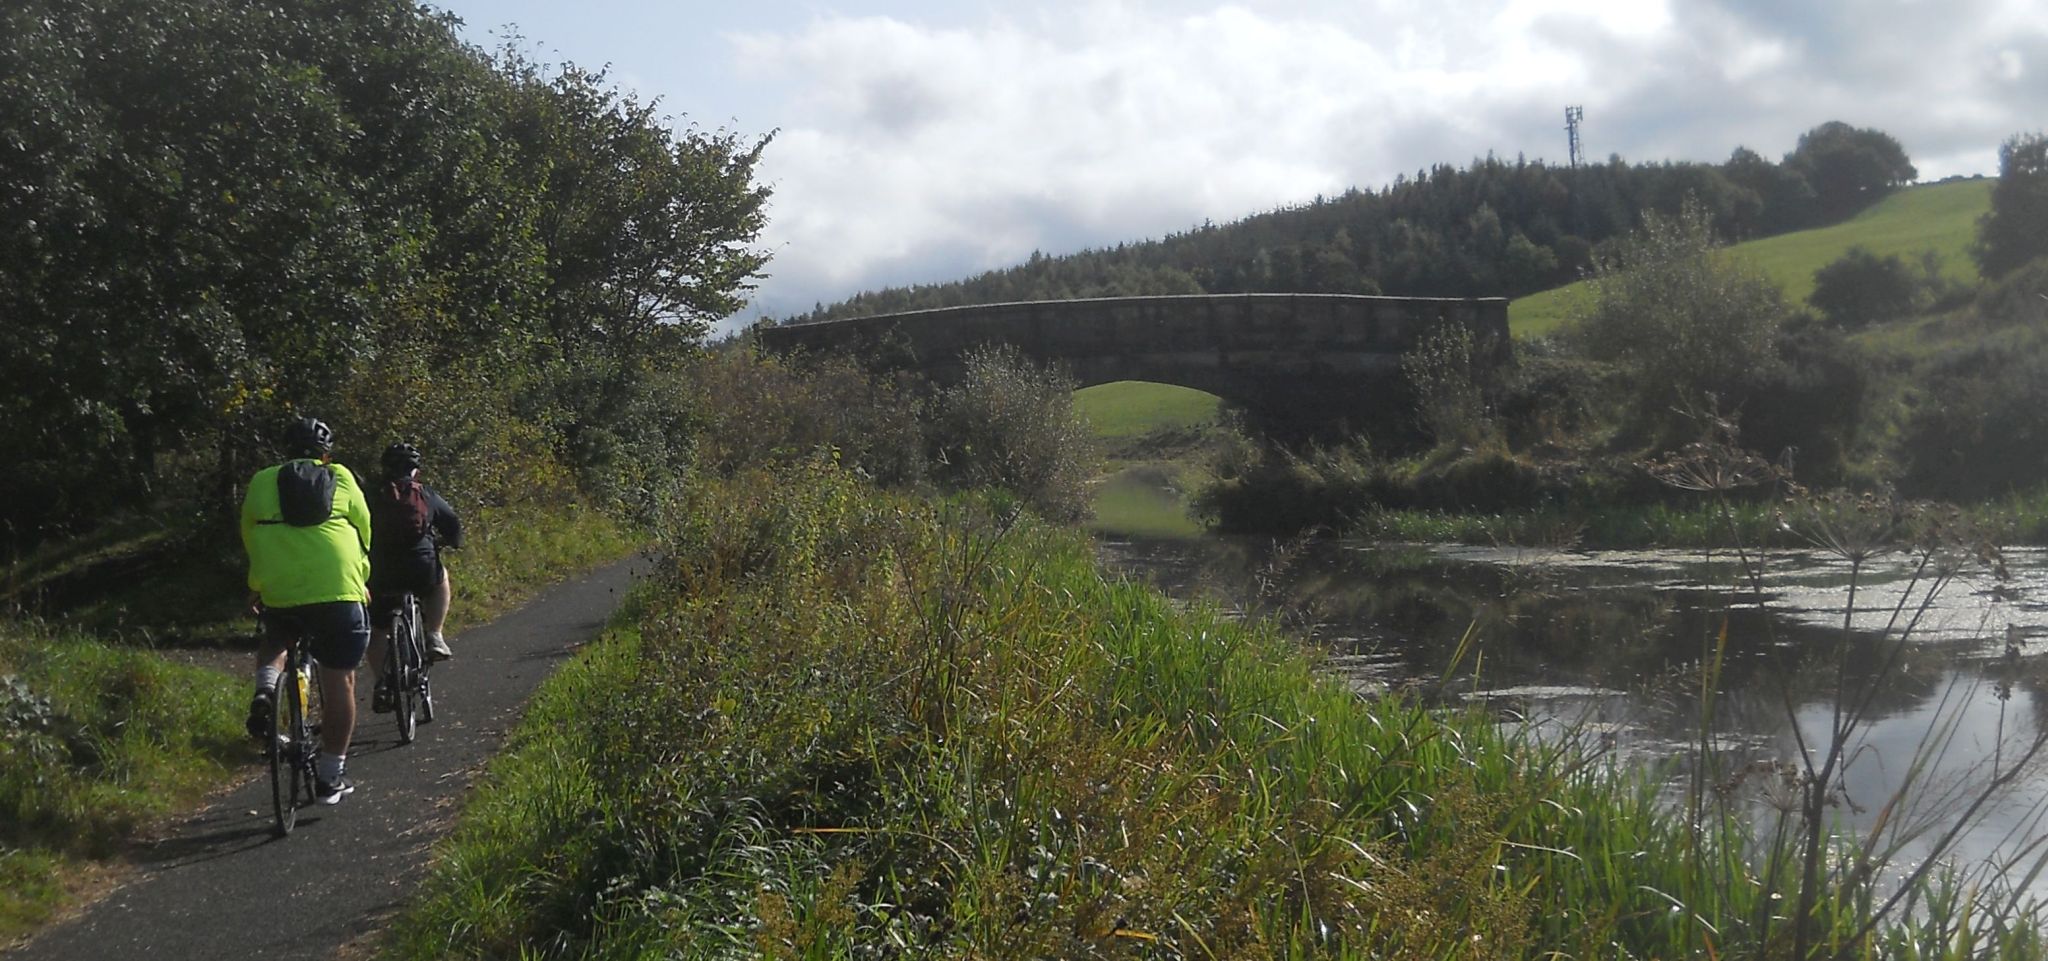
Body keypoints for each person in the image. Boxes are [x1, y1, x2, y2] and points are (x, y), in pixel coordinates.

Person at [240, 416, 371, 805]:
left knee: (276, 639)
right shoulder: (343, 477)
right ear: (325, 454)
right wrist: (361, 576)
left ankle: (266, 687)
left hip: (280, 587)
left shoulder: (263, 480)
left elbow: (249, 532)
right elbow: (365, 530)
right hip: (337, 590)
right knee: (340, 681)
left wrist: (256, 584)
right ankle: (331, 775)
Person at [365, 442, 463, 713]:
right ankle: (434, 635)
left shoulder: (370, 495)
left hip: (381, 571)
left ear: (384, 469)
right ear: (415, 470)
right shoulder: (425, 494)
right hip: (420, 566)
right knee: (441, 578)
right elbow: (452, 523)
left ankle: (382, 682)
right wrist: (452, 542)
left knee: (379, 630)